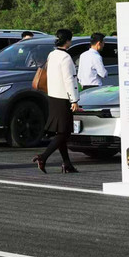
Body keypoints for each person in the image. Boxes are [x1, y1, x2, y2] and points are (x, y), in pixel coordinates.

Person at [33, 29, 79, 174]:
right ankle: (43, 157)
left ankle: (67, 164)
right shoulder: (65, 58)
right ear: (68, 41)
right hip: (63, 98)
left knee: (61, 132)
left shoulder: (52, 55)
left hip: (52, 96)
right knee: (63, 133)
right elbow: (69, 80)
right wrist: (74, 100)